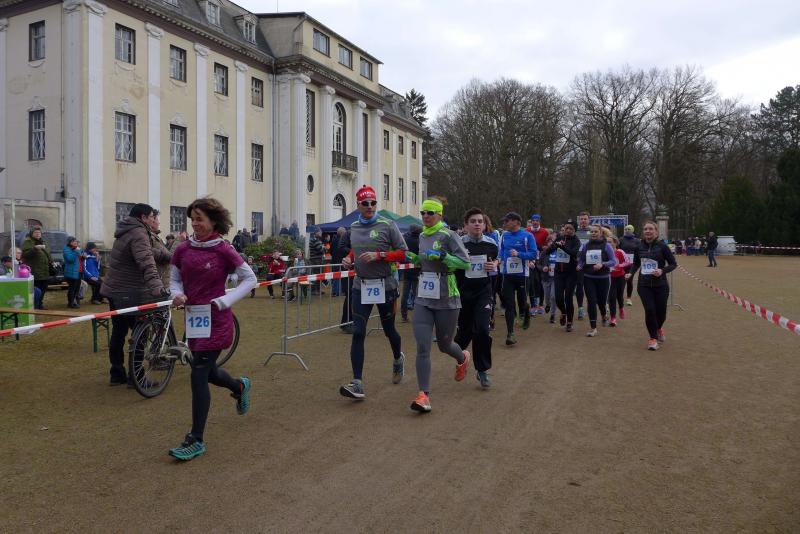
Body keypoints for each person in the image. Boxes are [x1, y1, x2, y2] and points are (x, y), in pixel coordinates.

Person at [168, 197, 256, 461]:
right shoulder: (183, 249)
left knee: (198, 374)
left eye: (200, 219)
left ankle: (195, 439)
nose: (195, 224)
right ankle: (239, 386)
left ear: (213, 221)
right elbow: (174, 279)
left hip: (217, 320)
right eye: (192, 219)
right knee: (207, 371)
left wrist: (224, 301)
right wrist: (177, 294)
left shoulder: (223, 250)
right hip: (194, 319)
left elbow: (250, 279)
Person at [338, 185, 408, 400]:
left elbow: (403, 253)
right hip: (361, 286)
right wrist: (349, 259)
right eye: (365, 203)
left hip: (385, 286)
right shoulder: (354, 227)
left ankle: (397, 358)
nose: (370, 206)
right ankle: (357, 383)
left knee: (389, 331)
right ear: (358, 205)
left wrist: (380, 256)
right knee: (358, 332)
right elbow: (356, 249)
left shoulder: (388, 225)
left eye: (373, 203)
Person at [405, 198, 471, 412]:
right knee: (423, 346)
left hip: (447, 297)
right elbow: (424, 261)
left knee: (444, 345)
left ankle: (462, 357)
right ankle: (423, 395)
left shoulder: (449, 235)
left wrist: (444, 256)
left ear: (440, 214)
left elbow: (465, 263)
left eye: (430, 213)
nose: (425, 216)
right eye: (423, 213)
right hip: (424, 297)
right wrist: (414, 258)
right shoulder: (422, 236)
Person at [100, 203, 167, 386]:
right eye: (152, 216)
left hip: (114, 289)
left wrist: (165, 255)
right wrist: (157, 286)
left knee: (118, 332)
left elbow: (144, 252)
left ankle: (117, 373)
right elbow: (146, 261)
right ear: (144, 217)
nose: (153, 219)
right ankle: (137, 378)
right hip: (129, 292)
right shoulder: (139, 233)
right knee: (140, 334)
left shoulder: (127, 230)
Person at [454, 208, 499, 388]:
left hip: (483, 293)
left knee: (482, 330)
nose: (477, 224)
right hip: (463, 293)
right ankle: (462, 357)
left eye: (480, 221)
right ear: (465, 225)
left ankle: (482, 370)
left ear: (485, 224)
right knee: (463, 334)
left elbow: (496, 261)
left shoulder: (491, 244)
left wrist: (494, 264)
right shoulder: (458, 244)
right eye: (473, 221)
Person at [627, 221, 678, 350]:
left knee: (661, 312)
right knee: (650, 310)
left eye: (650, 229)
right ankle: (653, 338)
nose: (648, 231)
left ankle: (659, 328)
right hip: (644, 285)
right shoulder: (639, 246)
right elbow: (636, 263)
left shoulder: (662, 246)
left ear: (656, 231)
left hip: (661, 285)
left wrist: (662, 271)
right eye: (645, 229)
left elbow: (673, 264)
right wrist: (631, 273)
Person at [498, 212, 538, 345]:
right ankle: (510, 334)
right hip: (507, 275)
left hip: (522, 276)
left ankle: (526, 312)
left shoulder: (527, 236)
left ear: (516, 222)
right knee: (509, 304)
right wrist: (499, 259)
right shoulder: (504, 235)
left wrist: (519, 254)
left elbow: (534, 254)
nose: (504, 223)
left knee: (522, 302)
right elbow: (501, 250)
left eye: (507, 221)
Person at [576, 225, 617, 336]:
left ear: (600, 233)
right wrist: (580, 265)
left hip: (603, 278)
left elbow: (613, 261)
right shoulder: (586, 245)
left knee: (601, 302)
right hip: (588, 277)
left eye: (595, 232)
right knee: (591, 301)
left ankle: (603, 315)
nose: (593, 233)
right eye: (592, 232)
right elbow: (581, 259)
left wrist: (602, 264)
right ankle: (593, 328)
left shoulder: (607, 246)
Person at [547, 220, 581, 332]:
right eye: (566, 228)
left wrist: (563, 247)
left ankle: (569, 322)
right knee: (558, 297)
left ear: (574, 230)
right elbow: (548, 251)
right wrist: (554, 246)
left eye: (571, 228)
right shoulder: (559, 238)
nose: (568, 230)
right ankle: (563, 312)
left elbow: (574, 253)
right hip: (558, 272)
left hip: (571, 273)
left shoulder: (576, 240)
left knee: (568, 298)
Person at [21, 226, 53, 310]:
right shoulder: (28, 242)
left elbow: (48, 253)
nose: (38, 234)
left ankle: (40, 304)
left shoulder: (43, 241)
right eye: (36, 232)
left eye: (39, 232)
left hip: (45, 270)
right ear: (32, 233)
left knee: (43, 288)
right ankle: (35, 305)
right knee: (37, 289)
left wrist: (51, 261)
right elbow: (25, 255)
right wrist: (35, 249)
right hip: (35, 271)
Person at [526, 214, 550, 315]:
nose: (535, 222)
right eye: (533, 220)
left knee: (541, 282)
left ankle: (540, 304)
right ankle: (533, 304)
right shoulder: (526, 231)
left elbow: (547, 246)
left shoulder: (545, 232)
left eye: (537, 220)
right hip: (530, 260)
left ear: (540, 221)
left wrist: (542, 249)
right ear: (531, 221)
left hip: (541, 261)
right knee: (531, 282)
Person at [608, 236, 632, 326]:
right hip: (610, 277)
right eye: (607, 242)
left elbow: (628, 262)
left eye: (610, 242)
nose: (608, 244)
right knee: (611, 297)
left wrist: (618, 266)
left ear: (615, 243)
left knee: (619, 296)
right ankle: (613, 318)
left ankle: (621, 308)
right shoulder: (605, 252)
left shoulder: (620, 252)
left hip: (620, 277)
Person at [400, 224, 422, 322]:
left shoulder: (405, 240)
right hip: (417, 271)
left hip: (407, 270)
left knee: (405, 295)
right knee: (417, 295)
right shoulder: (420, 241)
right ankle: (418, 315)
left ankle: (404, 315)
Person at [574, 211, 591, 319]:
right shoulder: (575, 232)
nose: (583, 221)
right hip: (578, 263)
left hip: (590, 263)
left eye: (585, 219)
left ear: (589, 220)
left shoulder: (592, 231)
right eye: (581, 219)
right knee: (579, 285)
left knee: (590, 286)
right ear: (579, 220)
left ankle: (591, 306)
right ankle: (580, 308)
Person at [539, 233, 557, 324]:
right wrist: (543, 268)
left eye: (552, 241)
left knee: (553, 296)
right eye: (549, 241)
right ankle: (548, 304)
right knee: (547, 297)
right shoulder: (544, 252)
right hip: (546, 278)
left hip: (556, 278)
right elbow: (538, 264)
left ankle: (553, 315)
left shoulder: (559, 252)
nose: (551, 243)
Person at [620, 225, 640, 306]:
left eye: (629, 229)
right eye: (626, 229)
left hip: (632, 264)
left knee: (629, 280)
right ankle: (620, 297)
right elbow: (617, 250)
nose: (627, 230)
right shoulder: (621, 239)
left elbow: (639, 251)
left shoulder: (637, 241)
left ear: (632, 230)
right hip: (623, 263)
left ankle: (629, 298)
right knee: (621, 280)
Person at [62, 237, 85, 309]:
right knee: (72, 288)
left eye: (76, 241)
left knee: (77, 288)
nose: (75, 242)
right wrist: (76, 252)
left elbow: (80, 258)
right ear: (69, 242)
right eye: (73, 241)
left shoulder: (77, 249)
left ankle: (75, 301)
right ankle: (70, 303)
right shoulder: (66, 249)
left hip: (79, 271)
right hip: (71, 272)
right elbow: (70, 259)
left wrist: (83, 256)